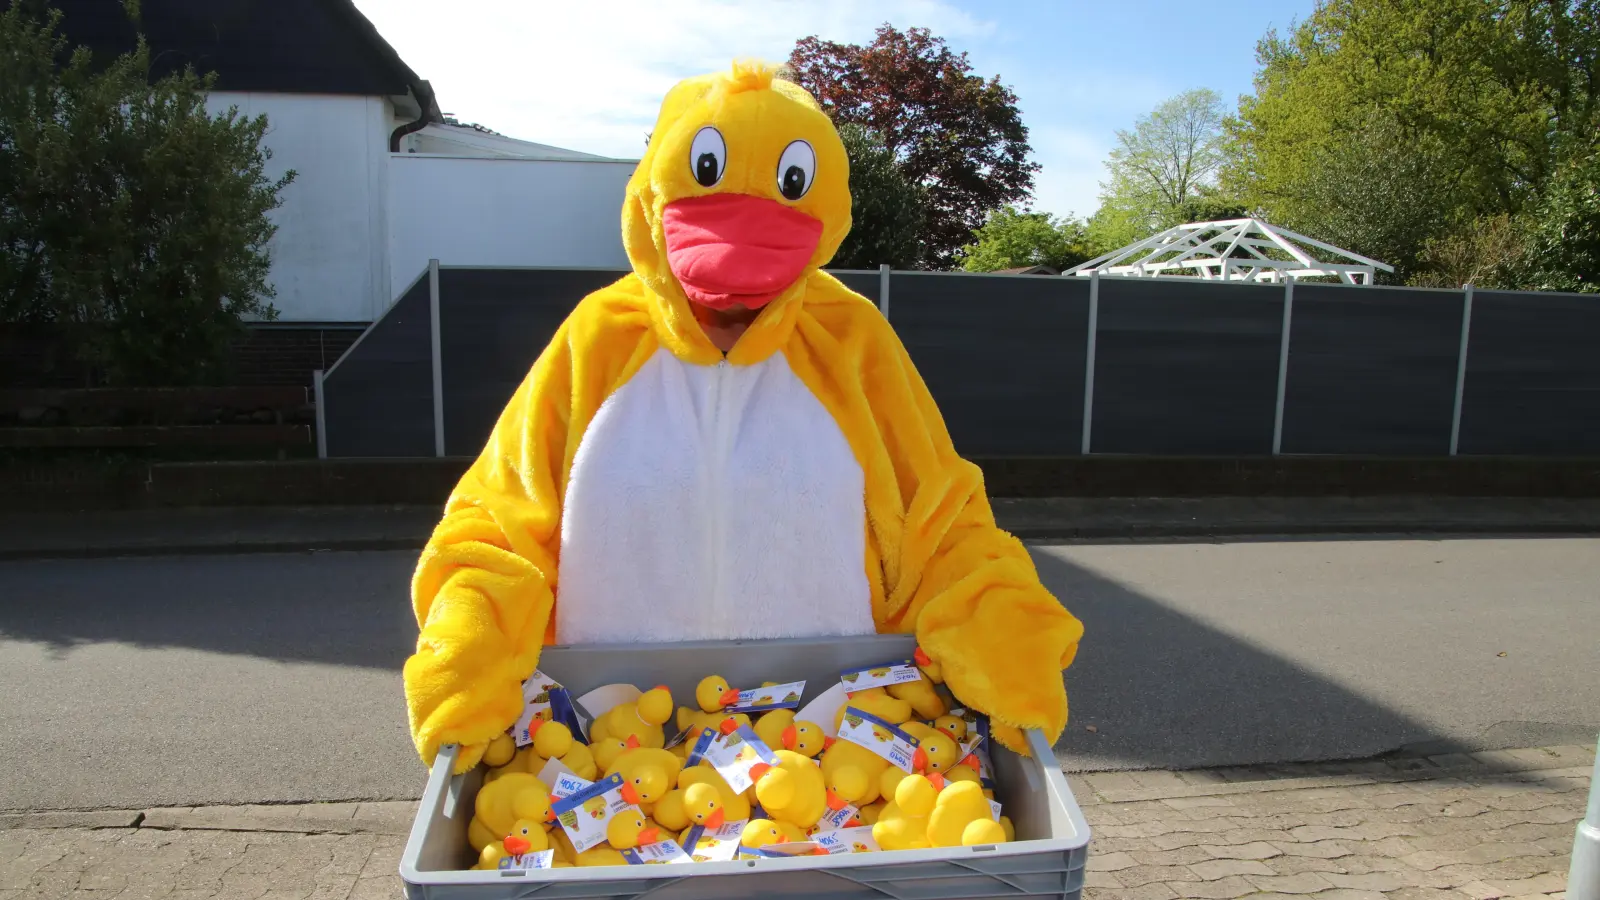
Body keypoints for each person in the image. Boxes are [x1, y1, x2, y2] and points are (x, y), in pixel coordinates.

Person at [403, 60, 1084, 772]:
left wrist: (1001, 631)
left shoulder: (850, 341)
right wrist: (470, 643)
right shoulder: (599, 338)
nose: (734, 292)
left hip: (829, 752)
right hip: (603, 745)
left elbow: (939, 522)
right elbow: (502, 519)